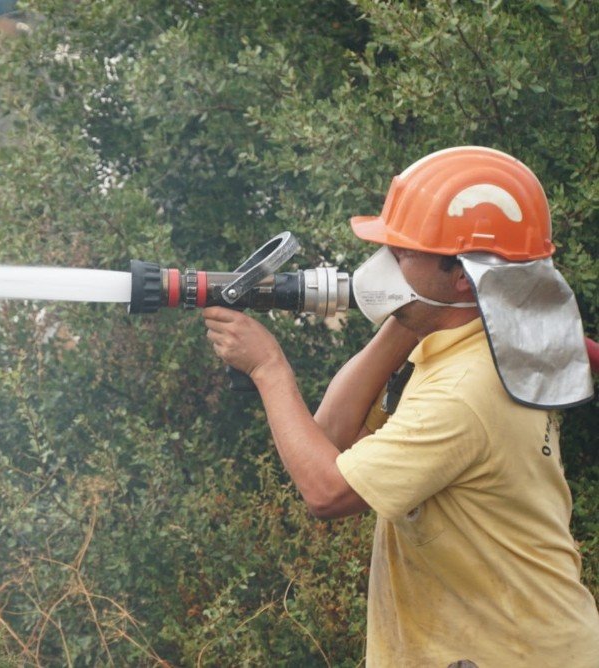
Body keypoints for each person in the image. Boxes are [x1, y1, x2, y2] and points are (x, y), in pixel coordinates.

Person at [203, 146, 599, 666]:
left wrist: (268, 369)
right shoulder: (472, 341)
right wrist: (401, 318)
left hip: (509, 652)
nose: (382, 265)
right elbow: (330, 437)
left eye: (401, 252)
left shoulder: (466, 389)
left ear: (462, 276)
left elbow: (328, 491)